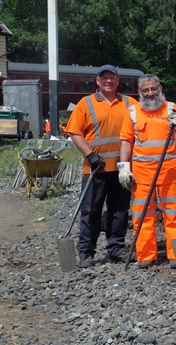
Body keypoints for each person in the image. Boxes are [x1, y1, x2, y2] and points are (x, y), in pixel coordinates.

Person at [118, 74, 176, 269]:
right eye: (146, 90)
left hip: (168, 171)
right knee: (142, 214)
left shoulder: (171, 109)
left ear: (160, 89)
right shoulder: (133, 112)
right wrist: (123, 168)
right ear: (139, 92)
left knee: (174, 213)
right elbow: (126, 141)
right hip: (142, 173)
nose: (150, 93)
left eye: (153, 89)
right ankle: (146, 256)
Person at [64, 64, 135, 268]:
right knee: (90, 211)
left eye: (112, 77)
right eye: (104, 78)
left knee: (119, 210)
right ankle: (86, 252)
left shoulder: (129, 103)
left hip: (121, 169)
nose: (108, 81)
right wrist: (90, 154)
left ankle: (116, 248)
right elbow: (74, 132)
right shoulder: (85, 104)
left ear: (117, 80)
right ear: (97, 81)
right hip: (95, 168)